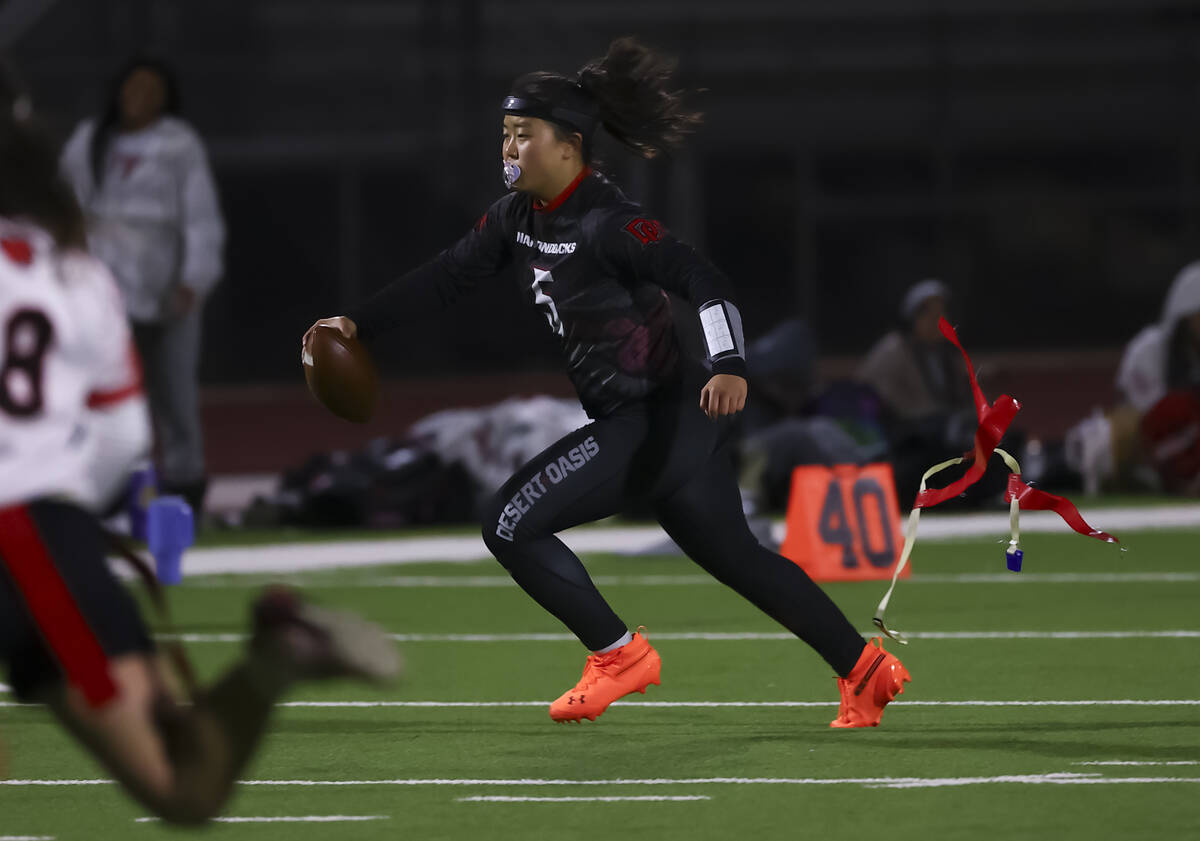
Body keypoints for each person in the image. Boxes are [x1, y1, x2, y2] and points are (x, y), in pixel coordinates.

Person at [303, 38, 909, 728]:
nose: (507, 149)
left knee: (508, 522)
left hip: (657, 419)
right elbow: (444, 277)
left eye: (522, 135)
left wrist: (731, 363)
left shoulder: (608, 221)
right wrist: (357, 322)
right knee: (740, 559)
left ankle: (618, 654)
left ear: (569, 145)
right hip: (662, 425)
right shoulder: (517, 218)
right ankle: (866, 671)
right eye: (504, 134)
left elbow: (702, 280)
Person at [0, 66, 399, 823]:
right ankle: (274, 657)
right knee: (182, 785)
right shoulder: (74, 273)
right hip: (41, 551)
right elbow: (120, 441)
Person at [59, 57, 224, 518]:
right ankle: (108, 490)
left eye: (152, 90)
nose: (140, 99)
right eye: (133, 88)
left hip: (167, 283)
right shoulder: (89, 140)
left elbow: (200, 217)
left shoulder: (178, 144)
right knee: (106, 393)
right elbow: (63, 206)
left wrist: (195, 276)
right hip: (104, 287)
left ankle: (185, 486)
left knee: (175, 391)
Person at [1067, 261, 1200, 494]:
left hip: (1184, 449)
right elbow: (1149, 421)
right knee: (1104, 441)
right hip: (1150, 446)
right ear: (1185, 315)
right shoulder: (1148, 350)